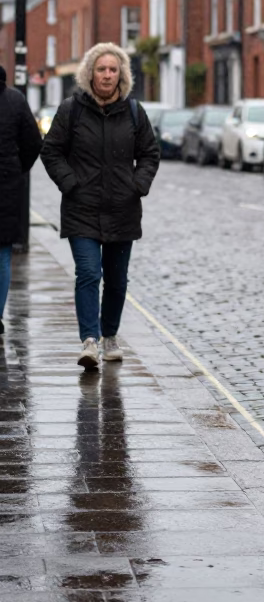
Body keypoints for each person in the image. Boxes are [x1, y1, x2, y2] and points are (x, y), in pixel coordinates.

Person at [41, 42, 160, 370]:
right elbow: (50, 151)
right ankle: (89, 341)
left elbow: (150, 152)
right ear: (90, 73)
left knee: (118, 281)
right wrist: (70, 183)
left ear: (121, 73)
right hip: (82, 209)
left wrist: (138, 185)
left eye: (113, 69)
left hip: (123, 209)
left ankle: (110, 336)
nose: (107, 75)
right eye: (101, 69)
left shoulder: (134, 111)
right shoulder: (71, 109)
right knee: (89, 273)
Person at [0, 65, 42, 335]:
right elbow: (34, 143)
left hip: (8, 181)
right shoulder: (15, 99)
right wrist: (17, 168)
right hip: (6, 185)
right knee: (2, 252)